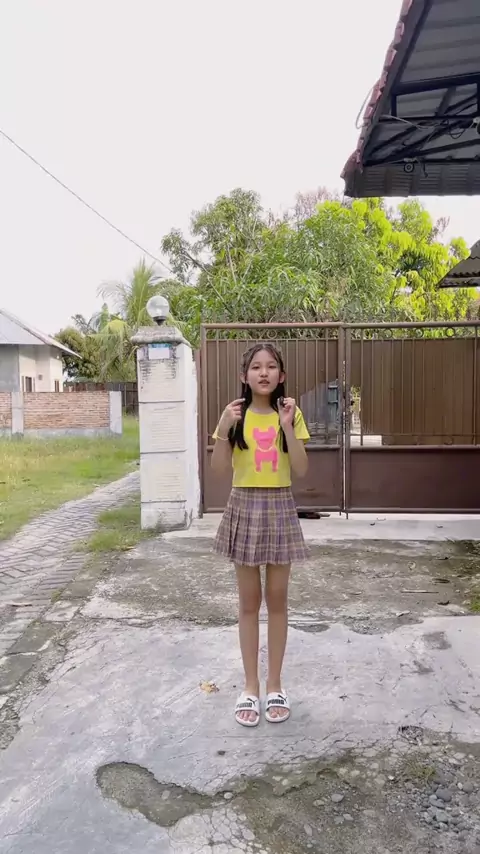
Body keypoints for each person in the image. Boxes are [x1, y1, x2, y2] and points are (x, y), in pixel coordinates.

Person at [211, 342, 309, 727]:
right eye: (256, 366)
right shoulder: (234, 416)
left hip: (280, 506)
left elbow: (301, 469)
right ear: (244, 375)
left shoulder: (291, 415)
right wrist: (222, 431)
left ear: (281, 376)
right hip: (244, 506)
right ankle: (250, 687)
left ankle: (275, 685)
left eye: (271, 367)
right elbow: (219, 471)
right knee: (249, 603)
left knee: (278, 600)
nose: (263, 372)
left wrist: (287, 427)